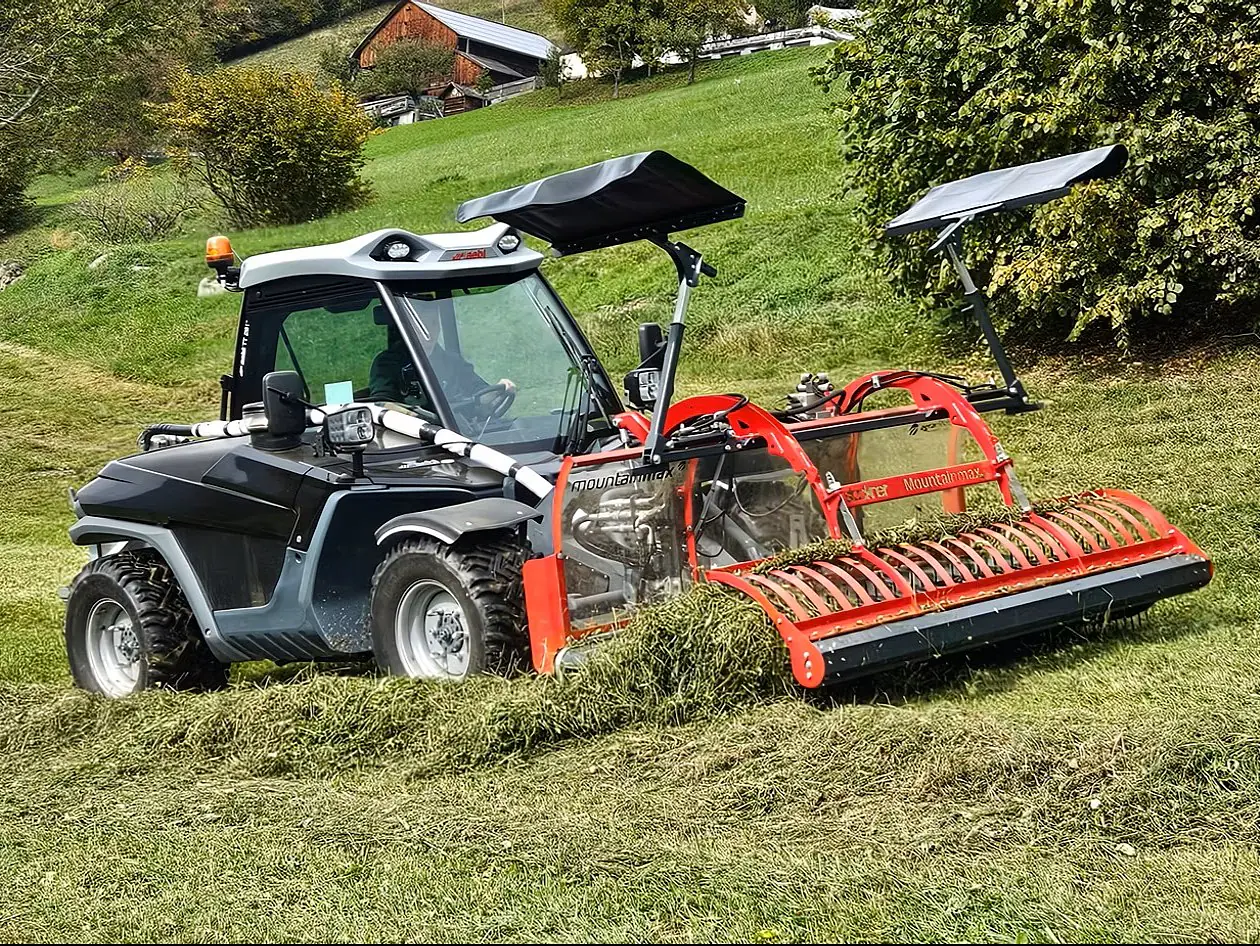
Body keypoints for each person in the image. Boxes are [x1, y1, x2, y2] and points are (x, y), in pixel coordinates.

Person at [368, 306, 515, 414]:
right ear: (407, 327)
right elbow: (382, 405)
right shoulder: (386, 364)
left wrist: (499, 390)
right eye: (422, 327)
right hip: (414, 441)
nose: (430, 333)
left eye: (434, 324)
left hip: (462, 433)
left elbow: (479, 392)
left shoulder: (452, 362)